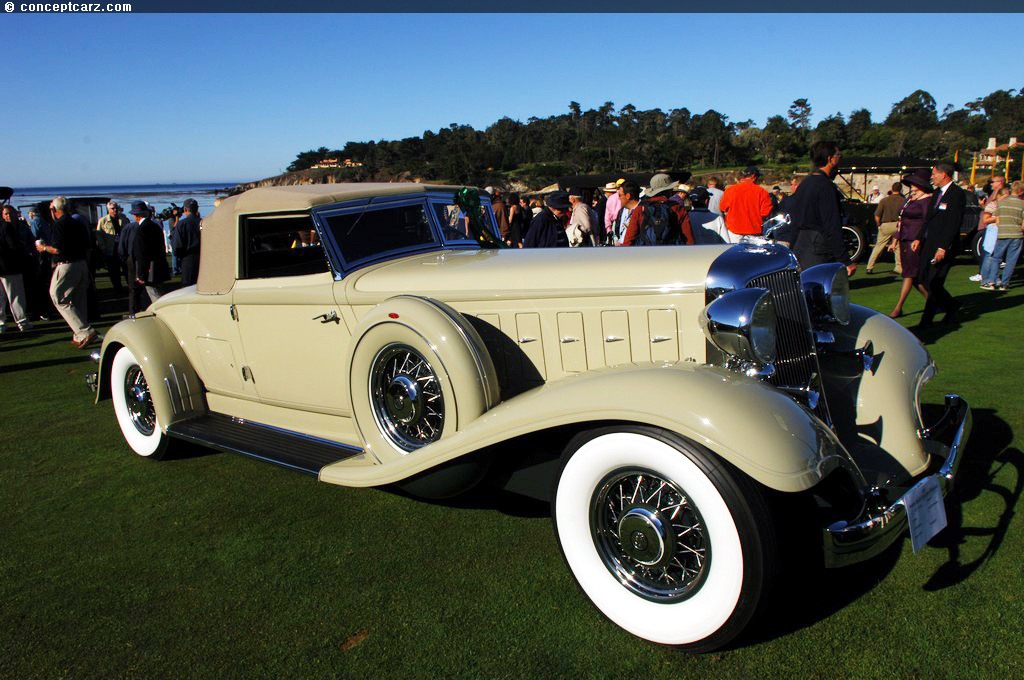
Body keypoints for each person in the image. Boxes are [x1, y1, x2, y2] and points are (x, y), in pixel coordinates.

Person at [778, 141, 855, 276]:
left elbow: (794, 218)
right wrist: (845, 260)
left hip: (801, 245)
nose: (840, 159)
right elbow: (831, 224)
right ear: (830, 159)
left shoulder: (806, 183)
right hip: (818, 247)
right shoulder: (825, 186)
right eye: (839, 156)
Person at [36, 196, 96, 348]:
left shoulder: (59, 225)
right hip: (81, 263)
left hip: (67, 264)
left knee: (57, 296)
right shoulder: (78, 222)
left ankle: (84, 331)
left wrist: (43, 248)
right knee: (78, 299)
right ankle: (79, 334)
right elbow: (87, 244)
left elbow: (57, 249)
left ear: (54, 210)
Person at [913, 162, 966, 328]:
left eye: (934, 173)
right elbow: (928, 219)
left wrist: (943, 247)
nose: (932, 177)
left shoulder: (956, 194)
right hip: (929, 244)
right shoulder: (937, 193)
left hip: (942, 246)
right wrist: (919, 237)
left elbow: (953, 223)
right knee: (920, 278)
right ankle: (951, 305)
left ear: (944, 174)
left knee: (934, 281)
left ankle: (926, 320)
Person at [886, 170, 931, 318]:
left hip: (914, 241)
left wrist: (919, 238)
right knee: (914, 276)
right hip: (905, 239)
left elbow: (926, 222)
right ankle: (934, 302)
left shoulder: (926, 201)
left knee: (909, 274)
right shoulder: (909, 200)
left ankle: (898, 307)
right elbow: (901, 222)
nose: (912, 187)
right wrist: (895, 241)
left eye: (914, 185)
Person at [979, 180, 1024, 291]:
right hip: (1017, 234)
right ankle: (1004, 284)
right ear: (1021, 191)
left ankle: (992, 282)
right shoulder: (1022, 204)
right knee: (1011, 260)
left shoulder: (1001, 203)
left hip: (1002, 233)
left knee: (996, 258)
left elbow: (997, 219)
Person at [129, 200, 170, 305]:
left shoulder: (140, 230)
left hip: (149, 269)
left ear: (136, 216)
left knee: (154, 296)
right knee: (160, 293)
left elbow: (141, 254)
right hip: (159, 265)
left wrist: (141, 274)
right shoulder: (155, 226)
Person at [0, 205, 32, 332]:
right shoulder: (5, 227)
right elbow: (13, 246)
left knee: (1, 298)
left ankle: (1, 323)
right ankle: (22, 322)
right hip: (9, 266)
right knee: (15, 296)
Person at [719, 166, 772, 240]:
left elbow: (722, 207)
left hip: (734, 231)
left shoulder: (730, 190)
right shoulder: (762, 192)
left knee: (734, 251)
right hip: (754, 232)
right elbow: (765, 213)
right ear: (754, 176)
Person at [867, 182, 905, 274]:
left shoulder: (884, 200)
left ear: (892, 189)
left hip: (886, 224)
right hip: (897, 224)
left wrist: (879, 225)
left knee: (878, 246)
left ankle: (869, 267)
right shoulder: (904, 200)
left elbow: (877, 215)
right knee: (897, 246)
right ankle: (898, 268)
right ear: (900, 190)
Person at [639, 173, 684, 245]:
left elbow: (630, 234)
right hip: (671, 252)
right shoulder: (677, 207)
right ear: (668, 190)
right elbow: (687, 234)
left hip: (646, 252)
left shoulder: (641, 207)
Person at [95, 200, 128, 294]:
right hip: (111, 251)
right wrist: (103, 248)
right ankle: (118, 290)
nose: (115, 210)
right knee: (114, 273)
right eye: (112, 208)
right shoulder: (103, 221)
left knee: (127, 271)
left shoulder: (123, 219)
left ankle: (130, 288)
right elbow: (99, 236)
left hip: (123, 249)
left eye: (116, 208)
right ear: (108, 210)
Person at [172, 198, 202, 286]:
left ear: (185, 209)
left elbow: (177, 245)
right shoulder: (204, 222)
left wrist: (179, 257)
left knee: (188, 286)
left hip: (188, 258)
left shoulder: (182, 224)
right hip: (203, 257)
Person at [611, 181, 643, 246]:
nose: (619, 198)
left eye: (620, 195)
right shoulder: (622, 211)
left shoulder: (643, 211)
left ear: (628, 196)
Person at [602, 179, 624, 243]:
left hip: (614, 222)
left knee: (615, 242)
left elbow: (607, 216)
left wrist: (608, 229)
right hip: (624, 221)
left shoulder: (611, 198)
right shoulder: (626, 197)